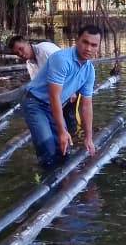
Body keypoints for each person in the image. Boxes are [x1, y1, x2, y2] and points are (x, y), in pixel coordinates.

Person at [21, 25, 101, 168]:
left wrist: (88, 138)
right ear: (77, 41)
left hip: (54, 105)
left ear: (98, 47)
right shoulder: (62, 59)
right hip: (35, 102)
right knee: (48, 148)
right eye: (85, 42)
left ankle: (63, 182)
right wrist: (62, 131)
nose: (88, 48)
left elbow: (86, 105)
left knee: (64, 150)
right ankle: (44, 180)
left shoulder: (89, 71)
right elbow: (54, 96)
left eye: (93, 45)